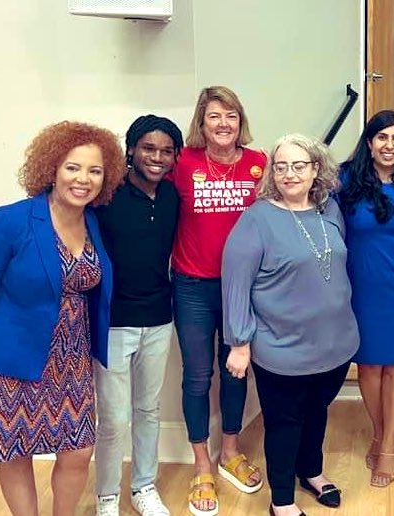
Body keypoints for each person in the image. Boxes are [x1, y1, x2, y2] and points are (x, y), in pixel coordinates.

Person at [0, 116, 184, 516]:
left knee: (78, 452)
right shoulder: (9, 221)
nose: (83, 179)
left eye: (95, 170)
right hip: (14, 362)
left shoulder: (94, 220)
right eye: (73, 167)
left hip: (73, 361)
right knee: (16, 453)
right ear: (52, 168)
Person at [222, 134, 358, 516]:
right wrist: (239, 342)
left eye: (299, 165)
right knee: (284, 423)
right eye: (280, 166)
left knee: (318, 411)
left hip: (335, 343)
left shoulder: (329, 210)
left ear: (316, 169)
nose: (289, 173)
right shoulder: (257, 219)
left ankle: (311, 471)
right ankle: (281, 499)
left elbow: (334, 263)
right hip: (282, 346)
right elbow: (236, 282)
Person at [171, 86, 266, 516]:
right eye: (214, 116)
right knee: (197, 375)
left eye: (230, 115)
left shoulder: (258, 164)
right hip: (191, 285)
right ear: (202, 122)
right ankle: (202, 464)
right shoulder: (182, 162)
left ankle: (230, 450)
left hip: (241, 289)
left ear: (239, 119)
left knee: (235, 371)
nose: (223, 124)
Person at [91, 115, 182, 516]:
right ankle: (107, 496)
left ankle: (144, 486)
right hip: (112, 323)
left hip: (160, 319)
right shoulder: (104, 195)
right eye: (148, 148)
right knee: (113, 418)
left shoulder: (173, 197)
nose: (157, 157)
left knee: (148, 410)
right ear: (131, 149)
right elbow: (52, 208)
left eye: (166, 151)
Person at [337, 110, 394, 487]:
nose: (390, 145)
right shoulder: (345, 179)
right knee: (369, 366)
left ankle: (390, 444)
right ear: (369, 143)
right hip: (360, 284)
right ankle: (379, 432)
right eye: (382, 137)